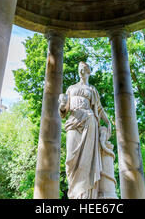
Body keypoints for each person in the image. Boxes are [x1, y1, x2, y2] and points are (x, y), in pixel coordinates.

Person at [59, 61, 111, 199]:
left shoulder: (92, 90)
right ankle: (75, 195)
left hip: (89, 122)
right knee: (70, 159)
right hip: (73, 122)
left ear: (88, 72)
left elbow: (99, 109)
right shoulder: (71, 88)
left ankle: (86, 197)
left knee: (87, 162)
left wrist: (108, 121)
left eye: (83, 69)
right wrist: (62, 106)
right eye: (79, 69)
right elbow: (65, 109)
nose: (81, 72)